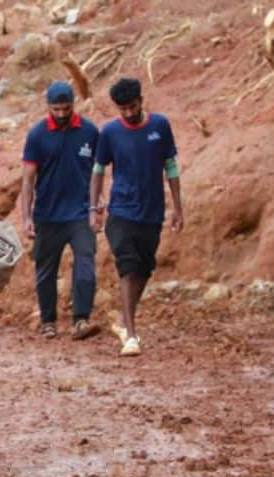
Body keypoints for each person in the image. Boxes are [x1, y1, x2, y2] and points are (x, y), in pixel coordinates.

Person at [89, 77, 185, 357]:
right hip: (120, 211)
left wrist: (178, 208)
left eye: (133, 107)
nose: (129, 113)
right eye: (123, 109)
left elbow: (171, 166)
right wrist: (94, 208)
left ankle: (125, 317)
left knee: (144, 268)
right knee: (128, 265)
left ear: (141, 101)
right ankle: (131, 334)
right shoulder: (109, 133)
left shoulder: (160, 126)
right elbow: (97, 171)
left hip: (152, 211)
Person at [19, 81, 102, 340]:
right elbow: (28, 179)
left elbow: (97, 173)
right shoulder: (37, 135)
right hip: (48, 215)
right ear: (48, 107)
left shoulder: (89, 131)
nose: (62, 114)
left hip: (81, 213)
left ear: (73, 105)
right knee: (46, 270)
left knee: (86, 265)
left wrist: (97, 206)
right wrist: (26, 217)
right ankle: (48, 321)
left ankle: (81, 319)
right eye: (57, 109)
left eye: (66, 108)